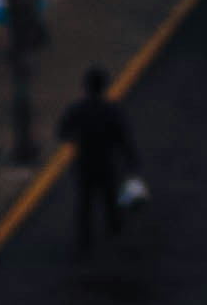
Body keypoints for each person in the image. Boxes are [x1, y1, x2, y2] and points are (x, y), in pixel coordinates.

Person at [59, 67, 146, 252]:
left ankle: (84, 239)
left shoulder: (77, 109)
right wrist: (132, 160)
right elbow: (124, 138)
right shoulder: (112, 111)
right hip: (107, 162)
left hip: (85, 162)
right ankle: (114, 230)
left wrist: (78, 138)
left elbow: (62, 133)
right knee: (110, 198)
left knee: (85, 202)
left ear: (86, 87)